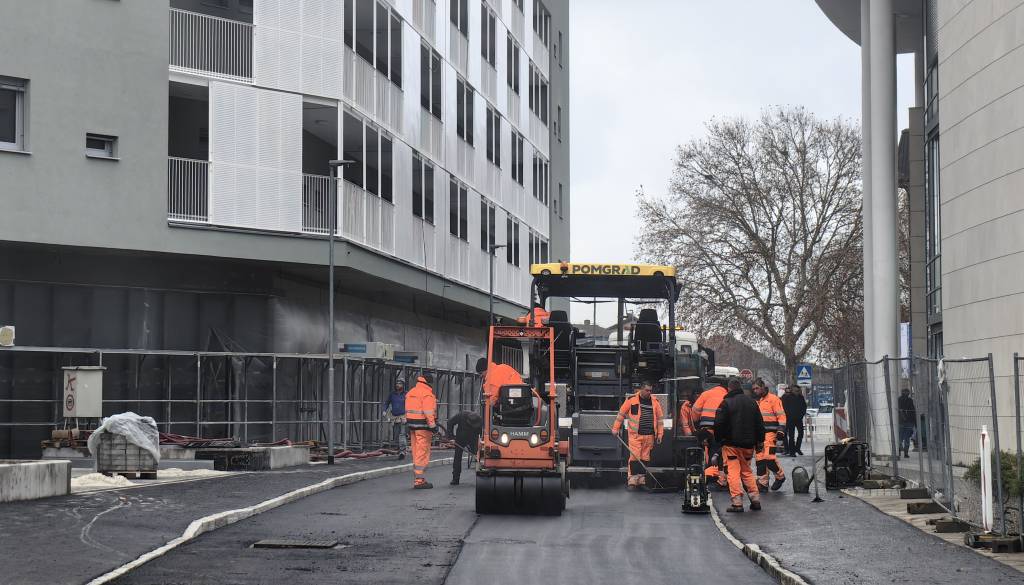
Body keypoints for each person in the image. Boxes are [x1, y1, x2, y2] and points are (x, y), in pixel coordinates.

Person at [713, 378, 765, 513]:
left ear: (729, 389)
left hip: (731, 444)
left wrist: (719, 440)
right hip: (748, 445)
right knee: (747, 471)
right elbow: (760, 424)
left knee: (733, 472)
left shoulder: (726, 403)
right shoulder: (752, 402)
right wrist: (760, 441)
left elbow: (718, 424)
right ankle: (755, 500)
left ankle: (737, 502)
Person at [611, 380, 664, 488]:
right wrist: (615, 428)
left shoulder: (655, 402)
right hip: (635, 435)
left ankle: (641, 479)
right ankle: (632, 480)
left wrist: (660, 435)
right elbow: (621, 414)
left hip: (649, 436)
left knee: (645, 458)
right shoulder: (631, 400)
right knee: (635, 457)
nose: (649, 392)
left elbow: (660, 420)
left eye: (650, 390)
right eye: (647, 390)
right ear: (641, 389)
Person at [691, 377, 729, 488]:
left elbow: (695, 410)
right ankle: (719, 478)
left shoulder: (706, 394)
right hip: (720, 429)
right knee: (718, 453)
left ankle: (707, 475)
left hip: (705, 429)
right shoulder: (727, 396)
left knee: (704, 453)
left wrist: (697, 422)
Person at [753, 378, 786, 491]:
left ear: (763, 387)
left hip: (770, 434)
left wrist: (781, 430)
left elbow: (781, 416)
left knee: (769, 458)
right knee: (760, 459)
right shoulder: (756, 401)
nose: (755, 391)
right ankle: (763, 483)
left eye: (757, 388)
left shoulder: (773, 399)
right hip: (759, 435)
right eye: (754, 389)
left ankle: (780, 476)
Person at [406, 373, 437, 489]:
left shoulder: (411, 392)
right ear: (428, 383)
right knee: (422, 452)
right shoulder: (427, 394)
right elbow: (428, 411)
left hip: (412, 426)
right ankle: (419, 480)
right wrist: (433, 426)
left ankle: (418, 478)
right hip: (423, 427)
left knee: (416, 451)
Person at [447, 411, 483, 485]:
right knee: (457, 457)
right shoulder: (461, 415)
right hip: (460, 438)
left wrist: (480, 443)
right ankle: (455, 479)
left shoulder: (479, 420)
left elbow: (480, 432)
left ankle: (481, 478)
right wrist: (451, 437)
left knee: (478, 457)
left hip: (473, 438)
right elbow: (450, 422)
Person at [382, 377, 408, 459]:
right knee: (396, 435)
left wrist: (407, 416)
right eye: (397, 383)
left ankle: (402, 451)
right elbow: (386, 403)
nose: (398, 385)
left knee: (402, 434)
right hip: (394, 417)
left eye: (400, 383)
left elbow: (411, 405)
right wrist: (384, 410)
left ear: (403, 385)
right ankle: (400, 449)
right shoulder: (392, 394)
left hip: (403, 416)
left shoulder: (406, 394)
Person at [781, 385, 807, 456]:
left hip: (799, 419)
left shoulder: (801, 397)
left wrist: (801, 415)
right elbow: (785, 408)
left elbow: (804, 407)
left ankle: (797, 448)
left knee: (801, 434)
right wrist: (788, 416)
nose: (797, 392)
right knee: (791, 436)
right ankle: (792, 452)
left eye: (798, 391)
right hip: (790, 419)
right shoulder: (787, 397)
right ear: (792, 390)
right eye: (796, 391)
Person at [898, 388, 917, 458]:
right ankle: (904, 452)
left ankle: (900, 451)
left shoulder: (899, 400)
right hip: (907, 422)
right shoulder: (909, 400)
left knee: (901, 438)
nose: (906, 393)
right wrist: (915, 423)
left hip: (903, 422)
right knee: (905, 438)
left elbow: (913, 411)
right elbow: (913, 412)